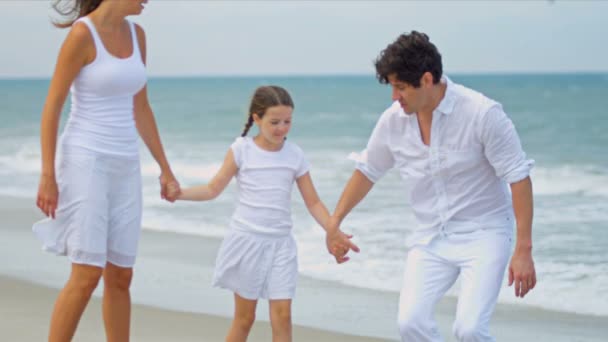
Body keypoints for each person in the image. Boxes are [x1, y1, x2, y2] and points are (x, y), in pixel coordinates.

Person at [326, 31, 537, 342]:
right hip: (429, 237)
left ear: (426, 80)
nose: (394, 97)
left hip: (485, 232)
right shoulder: (393, 121)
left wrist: (523, 250)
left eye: (400, 87)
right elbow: (368, 171)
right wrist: (335, 223)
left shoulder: (482, 113)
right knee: (411, 323)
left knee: (469, 329)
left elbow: (518, 178)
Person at [32, 1, 180, 341]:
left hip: (125, 164)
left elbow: (140, 105)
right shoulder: (82, 35)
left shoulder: (137, 35)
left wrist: (165, 168)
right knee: (86, 274)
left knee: (121, 276)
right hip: (87, 162)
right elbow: (52, 105)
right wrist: (47, 175)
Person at [174, 85, 343, 342]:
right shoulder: (242, 149)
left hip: (281, 245)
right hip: (247, 242)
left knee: (283, 316)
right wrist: (179, 194)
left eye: (287, 122)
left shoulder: (295, 155)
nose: (282, 128)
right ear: (257, 119)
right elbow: (212, 189)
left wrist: (334, 230)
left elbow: (314, 202)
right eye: (274, 122)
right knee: (245, 319)